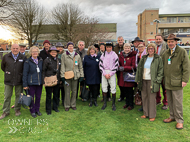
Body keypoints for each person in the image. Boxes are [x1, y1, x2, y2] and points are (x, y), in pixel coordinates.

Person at [162, 34, 190, 129]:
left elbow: (186, 67)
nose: (170, 43)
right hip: (168, 81)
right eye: (169, 42)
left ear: (176, 42)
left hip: (178, 81)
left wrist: (185, 80)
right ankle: (172, 116)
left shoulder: (182, 52)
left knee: (177, 102)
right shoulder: (166, 53)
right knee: (170, 101)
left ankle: (179, 120)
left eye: (172, 41)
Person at [135, 43, 163, 121]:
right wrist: (137, 79)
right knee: (144, 97)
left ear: (154, 49)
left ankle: (152, 115)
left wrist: (158, 80)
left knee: (151, 98)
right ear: (147, 50)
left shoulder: (158, 58)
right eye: (149, 49)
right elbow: (139, 70)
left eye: (152, 48)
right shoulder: (144, 58)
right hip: (143, 80)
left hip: (152, 80)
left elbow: (161, 70)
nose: (150, 50)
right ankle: (145, 113)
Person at [0, 44, 26, 119]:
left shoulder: (23, 57)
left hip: (19, 80)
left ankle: (17, 109)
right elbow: (3, 67)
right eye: (14, 48)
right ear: (11, 49)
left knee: (18, 95)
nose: (15, 50)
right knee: (7, 96)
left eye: (17, 48)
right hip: (9, 79)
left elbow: (24, 68)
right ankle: (5, 111)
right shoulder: (6, 57)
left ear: (19, 49)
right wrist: (9, 73)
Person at [60, 42, 84, 111]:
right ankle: (67, 105)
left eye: (72, 46)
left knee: (74, 91)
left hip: (75, 75)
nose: (70, 47)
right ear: (67, 47)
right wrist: (62, 76)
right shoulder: (64, 55)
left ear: (73, 47)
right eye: (69, 46)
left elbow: (80, 66)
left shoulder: (77, 56)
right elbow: (62, 66)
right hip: (67, 75)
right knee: (67, 91)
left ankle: (73, 104)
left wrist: (81, 75)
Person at [22, 46, 43, 118]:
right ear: (31, 53)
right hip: (31, 83)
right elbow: (25, 73)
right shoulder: (27, 62)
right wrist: (25, 84)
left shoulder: (40, 61)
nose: (35, 53)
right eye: (33, 52)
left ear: (38, 52)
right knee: (31, 98)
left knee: (38, 97)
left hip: (39, 83)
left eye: (36, 51)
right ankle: (32, 111)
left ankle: (37, 109)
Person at [99, 42, 119, 111]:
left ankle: (113, 104)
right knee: (104, 87)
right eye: (107, 47)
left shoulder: (114, 55)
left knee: (113, 87)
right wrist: (104, 74)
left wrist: (110, 74)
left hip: (111, 73)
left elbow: (116, 65)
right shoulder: (103, 55)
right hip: (104, 72)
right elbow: (100, 65)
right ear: (105, 48)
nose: (108, 48)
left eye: (109, 47)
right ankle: (105, 103)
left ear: (111, 47)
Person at [43, 46, 61, 115]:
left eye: (55, 52)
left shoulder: (59, 60)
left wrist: (60, 79)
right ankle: (48, 109)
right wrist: (43, 80)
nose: (54, 53)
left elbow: (60, 70)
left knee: (56, 95)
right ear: (50, 52)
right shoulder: (47, 60)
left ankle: (55, 107)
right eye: (52, 52)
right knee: (49, 95)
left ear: (57, 53)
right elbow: (43, 70)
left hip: (57, 79)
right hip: (49, 79)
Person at [118, 43, 137, 110]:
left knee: (130, 91)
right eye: (125, 48)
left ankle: (131, 104)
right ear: (123, 49)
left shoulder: (133, 56)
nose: (127, 49)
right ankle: (127, 103)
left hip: (129, 76)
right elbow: (118, 63)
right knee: (125, 90)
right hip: (122, 75)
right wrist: (119, 67)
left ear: (130, 49)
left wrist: (124, 68)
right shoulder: (121, 56)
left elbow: (133, 66)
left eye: (128, 48)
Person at [155, 34, 168, 110]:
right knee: (156, 87)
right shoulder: (153, 47)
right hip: (155, 70)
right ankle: (158, 100)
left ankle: (166, 102)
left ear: (162, 39)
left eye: (159, 39)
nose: (158, 40)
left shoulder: (166, 47)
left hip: (163, 70)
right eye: (157, 39)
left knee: (164, 87)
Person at [135, 42, 147, 112]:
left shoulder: (145, 55)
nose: (140, 48)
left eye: (142, 46)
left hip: (145, 73)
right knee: (140, 90)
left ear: (144, 47)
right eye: (139, 47)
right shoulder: (137, 55)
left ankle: (145, 106)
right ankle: (142, 104)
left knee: (145, 90)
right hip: (139, 74)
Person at [114, 36, 125, 102]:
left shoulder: (126, 46)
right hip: (118, 68)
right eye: (119, 40)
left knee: (126, 82)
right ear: (117, 41)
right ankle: (122, 96)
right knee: (120, 82)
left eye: (121, 40)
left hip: (125, 67)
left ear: (123, 40)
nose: (120, 41)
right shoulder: (115, 48)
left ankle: (126, 95)